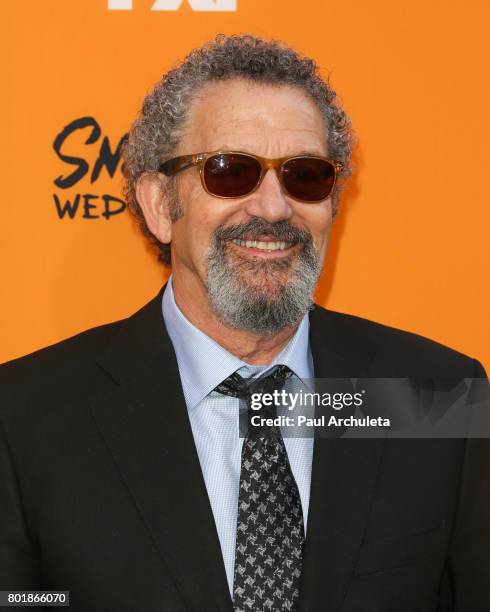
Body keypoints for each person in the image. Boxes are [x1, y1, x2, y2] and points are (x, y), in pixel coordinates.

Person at [0, 34, 489, 612]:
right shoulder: (26, 418)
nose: (274, 207)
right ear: (160, 204)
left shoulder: (436, 399)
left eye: (306, 175)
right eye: (231, 172)